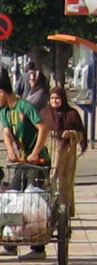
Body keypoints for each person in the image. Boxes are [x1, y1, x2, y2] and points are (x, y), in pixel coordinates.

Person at [0, 74, 50, 259]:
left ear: (2, 92)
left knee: (34, 200)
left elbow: (43, 128)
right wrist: (10, 151)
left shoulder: (25, 106)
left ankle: (38, 248)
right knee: (12, 196)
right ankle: (10, 243)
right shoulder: (4, 112)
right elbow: (7, 133)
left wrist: (35, 152)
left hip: (38, 161)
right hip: (22, 161)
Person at [43, 85, 87, 217]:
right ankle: (48, 212)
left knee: (64, 183)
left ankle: (64, 214)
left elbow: (81, 134)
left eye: (57, 98)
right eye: (52, 98)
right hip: (49, 153)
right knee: (49, 181)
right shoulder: (44, 113)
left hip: (66, 154)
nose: (54, 101)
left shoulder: (72, 114)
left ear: (63, 99)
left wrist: (71, 134)